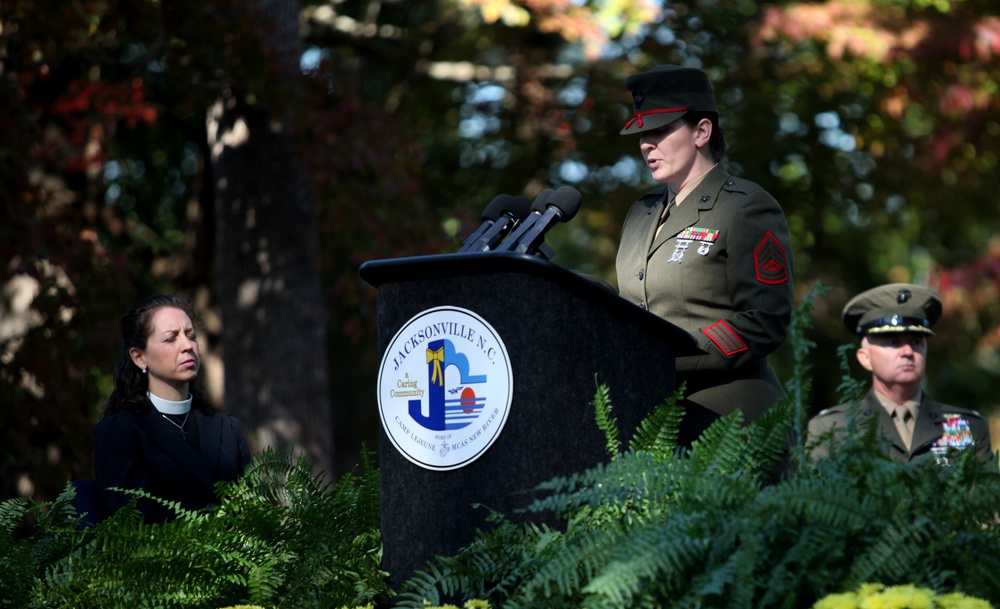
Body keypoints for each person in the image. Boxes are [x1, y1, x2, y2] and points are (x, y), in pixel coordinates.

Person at [615, 65, 795, 424]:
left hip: (731, 420)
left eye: (661, 131)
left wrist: (670, 355)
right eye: (641, 134)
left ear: (701, 131)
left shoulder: (745, 206)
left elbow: (765, 320)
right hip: (655, 420)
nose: (646, 144)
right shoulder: (641, 213)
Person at [94, 294, 252, 523]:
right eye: (171, 339)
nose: (187, 346)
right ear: (139, 357)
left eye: (191, 336)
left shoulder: (227, 428)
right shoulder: (120, 432)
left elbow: (255, 515)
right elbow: (131, 527)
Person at [807, 283, 993, 464]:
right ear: (865, 358)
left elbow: (984, 494)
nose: (907, 351)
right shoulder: (832, 430)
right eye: (893, 342)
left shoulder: (968, 428)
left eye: (916, 342)